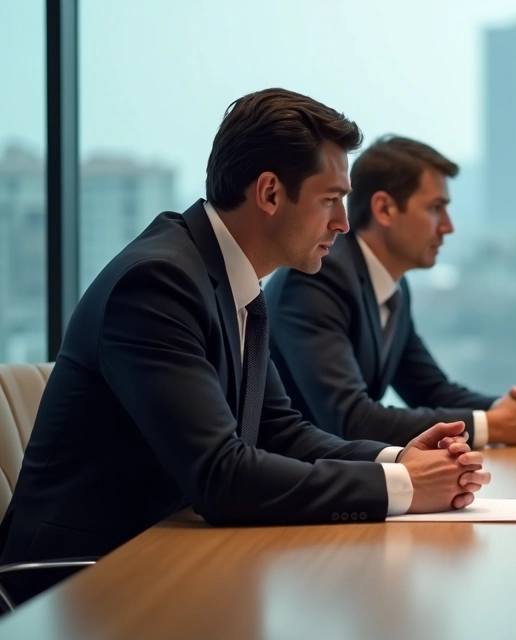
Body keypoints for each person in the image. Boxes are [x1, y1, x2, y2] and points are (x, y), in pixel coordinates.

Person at [0, 89, 490, 604]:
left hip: (165, 554)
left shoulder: (233, 281)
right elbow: (222, 475)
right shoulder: (158, 283)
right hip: (75, 582)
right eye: (330, 199)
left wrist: (399, 459)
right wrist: (405, 488)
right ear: (271, 193)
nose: (344, 223)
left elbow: (279, 431)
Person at [265, 135, 516, 449]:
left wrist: (509, 410)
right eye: (435, 208)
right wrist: (492, 426)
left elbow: (430, 390)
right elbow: (351, 420)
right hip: (291, 483)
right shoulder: (318, 277)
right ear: (385, 209)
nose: (448, 226)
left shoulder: (391, 285)